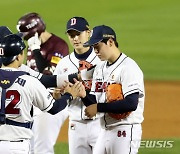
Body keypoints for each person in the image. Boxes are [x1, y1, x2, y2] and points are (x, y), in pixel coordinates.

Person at [0, 34, 83, 154]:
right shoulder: (29, 81)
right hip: (17, 147)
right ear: (18, 56)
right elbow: (54, 108)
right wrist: (69, 95)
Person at [79, 25, 145, 154]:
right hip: (104, 130)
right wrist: (82, 94)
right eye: (93, 48)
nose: (95, 51)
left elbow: (131, 103)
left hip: (125, 129)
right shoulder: (99, 68)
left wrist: (98, 107)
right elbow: (93, 102)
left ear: (110, 42)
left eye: (97, 47)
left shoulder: (129, 67)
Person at [16, 12, 70, 154]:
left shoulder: (58, 45)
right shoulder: (31, 46)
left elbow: (49, 75)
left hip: (52, 101)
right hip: (34, 102)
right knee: (31, 148)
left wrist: (36, 50)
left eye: (26, 35)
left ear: (34, 31)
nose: (25, 39)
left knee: (42, 149)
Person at [53, 17, 102, 154]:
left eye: (78, 34)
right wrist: (57, 94)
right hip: (76, 125)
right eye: (71, 35)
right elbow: (55, 96)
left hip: (100, 123)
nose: (75, 39)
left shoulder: (100, 59)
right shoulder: (63, 64)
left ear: (88, 32)